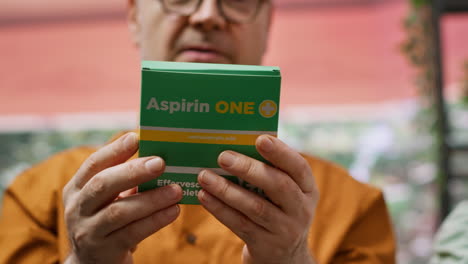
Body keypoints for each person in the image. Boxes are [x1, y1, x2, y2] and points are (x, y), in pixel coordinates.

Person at [0, 0, 396, 263]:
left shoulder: (353, 207)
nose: (207, 14)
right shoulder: (42, 195)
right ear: (135, 17)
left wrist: (293, 258)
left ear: (268, 23)